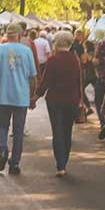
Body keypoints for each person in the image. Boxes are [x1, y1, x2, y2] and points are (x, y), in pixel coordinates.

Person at [0, 23, 37, 176]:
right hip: (21, 98)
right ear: (19, 35)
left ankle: (3, 150)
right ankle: (15, 163)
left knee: (2, 127)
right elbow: (33, 77)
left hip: (4, 96)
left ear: (7, 34)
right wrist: (32, 95)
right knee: (18, 131)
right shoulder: (27, 51)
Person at [34, 31, 82, 177]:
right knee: (67, 131)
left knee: (57, 131)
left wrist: (36, 96)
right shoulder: (75, 59)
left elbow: (46, 81)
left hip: (55, 100)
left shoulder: (53, 60)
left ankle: (60, 165)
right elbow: (79, 81)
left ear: (56, 43)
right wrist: (80, 100)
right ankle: (64, 162)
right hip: (71, 100)